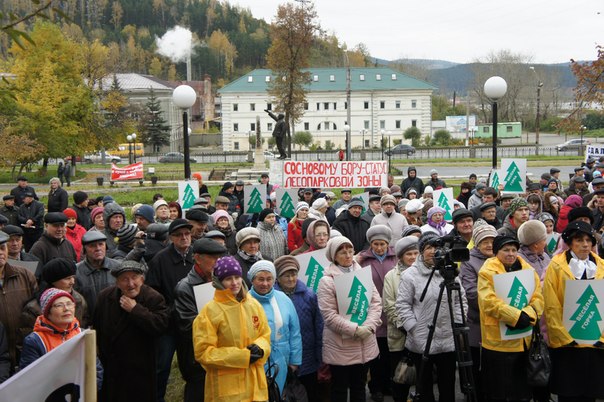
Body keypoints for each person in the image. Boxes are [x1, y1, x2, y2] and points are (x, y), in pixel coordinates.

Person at [396, 232, 466, 402]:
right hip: (422, 341)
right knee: (424, 386)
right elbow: (402, 305)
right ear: (421, 251)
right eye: (429, 247)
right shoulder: (410, 275)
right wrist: (414, 328)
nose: (434, 251)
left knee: (448, 385)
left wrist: (457, 323)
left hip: (448, 338)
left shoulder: (450, 271)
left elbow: (460, 300)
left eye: (437, 247)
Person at [193, 256, 271, 401]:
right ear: (218, 282)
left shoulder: (254, 305)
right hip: (227, 389)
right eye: (228, 279)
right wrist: (242, 356)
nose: (234, 283)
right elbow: (203, 352)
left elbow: (265, 334)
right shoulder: (209, 312)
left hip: (256, 385)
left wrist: (261, 348)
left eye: (237, 277)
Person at [477, 235, 544, 402]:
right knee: (500, 393)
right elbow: (488, 302)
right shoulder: (487, 272)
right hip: (498, 344)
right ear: (496, 252)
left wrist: (528, 314)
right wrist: (515, 316)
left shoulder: (528, 270)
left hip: (524, 342)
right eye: (506, 250)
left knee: (522, 392)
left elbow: (538, 297)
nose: (511, 253)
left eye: (514, 250)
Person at [543, 221, 604, 402]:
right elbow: (551, 305)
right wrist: (564, 337)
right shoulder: (556, 266)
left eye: (588, 240)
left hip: (595, 342)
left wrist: (601, 336)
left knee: (591, 393)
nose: (585, 245)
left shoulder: (600, 266)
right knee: (569, 393)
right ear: (569, 243)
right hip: (568, 344)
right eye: (579, 240)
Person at [94, 260, 169, 402]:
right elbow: (97, 326)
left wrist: (136, 310)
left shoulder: (153, 298)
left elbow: (160, 326)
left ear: (142, 279)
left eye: (134, 277)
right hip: (112, 368)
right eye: (124, 279)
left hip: (140, 369)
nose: (130, 284)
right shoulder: (105, 297)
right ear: (117, 282)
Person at [317, 236, 381, 402]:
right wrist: (355, 330)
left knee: (359, 388)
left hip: (365, 342)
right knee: (339, 389)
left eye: (350, 251)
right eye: (342, 252)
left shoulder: (362, 274)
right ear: (334, 256)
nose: (347, 255)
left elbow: (375, 302)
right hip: (340, 347)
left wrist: (369, 326)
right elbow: (329, 315)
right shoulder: (327, 281)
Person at [146, 219, 195, 402]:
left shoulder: (197, 256)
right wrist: (166, 312)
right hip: (168, 323)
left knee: (192, 365)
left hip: (192, 322)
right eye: (179, 235)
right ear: (171, 238)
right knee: (162, 366)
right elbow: (152, 290)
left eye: (187, 234)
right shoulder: (160, 259)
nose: (184, 238)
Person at [174, 239, 227, 402]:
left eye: (220, 258)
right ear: (197, 258)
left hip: (221, 356)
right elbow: (189, 326)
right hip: (196, 362)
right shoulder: (185, 287)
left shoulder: (222, 282)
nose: (218, 263)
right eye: (213, 258)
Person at [356, 225, 397, 402]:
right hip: (372, 311)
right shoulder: (362, 260)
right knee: (375, 355)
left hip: (391, 309)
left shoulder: (395, 258)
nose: (379, 248)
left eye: (382, 244)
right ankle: (376, 387)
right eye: (375, 244)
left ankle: (389, 383)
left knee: (391, 352)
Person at [248, 260, 302, 394]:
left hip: (281, 361)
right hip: (255, 362)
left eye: (269, 279)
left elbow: (294, 332)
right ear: (252, 280)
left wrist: (294, 361)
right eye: (260, 279)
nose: (265, 284)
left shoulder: (283, 299)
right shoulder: (245, 301)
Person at [273, 255, 323, 400]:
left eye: (293, 274)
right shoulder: (273, 298)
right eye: (286, 275)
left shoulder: (309, 295)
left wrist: (319, 355)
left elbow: (318, 326)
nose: (291, 279)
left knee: (311, 393)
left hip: (307, 356)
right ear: (278, 278)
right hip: (282, 358)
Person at [459, 220, 498, 400]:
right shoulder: (469, 261)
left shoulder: (502, 257)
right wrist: (499, 307)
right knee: (477, 369)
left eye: (492, 240)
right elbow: (471, 294)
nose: (489, 244)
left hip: (501, 325)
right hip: (478, 324)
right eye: (485, 241)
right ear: (477, 242)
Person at [383, 236, 419, 402]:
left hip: (422, 335)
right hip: (400, 334)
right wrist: (407, 326)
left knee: (421, 377)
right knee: (400, 377)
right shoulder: (391, 276)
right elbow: (390, 306)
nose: (413, 257)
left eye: (415, 253)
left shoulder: (424, 273)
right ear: (401, 256)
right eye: (409, 254)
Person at [0, 231, 38, 373]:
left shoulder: (25, 275)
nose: (0, 253)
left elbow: (37, 312)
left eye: (2, 248)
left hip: (25, 351)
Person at [21, 258, 90, 337]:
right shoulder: (34, 308)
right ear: (53, 281)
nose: (72, 282)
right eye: (67, 278)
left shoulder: (78, 299)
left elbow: (84, 325)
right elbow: (29, 338)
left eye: (73, 277)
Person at [19, 288, 82, 369]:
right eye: (59, 305)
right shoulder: (35, 341)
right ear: (48, 313)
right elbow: (31, 376)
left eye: (69, 304)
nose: (66, 309)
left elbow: (95, 368)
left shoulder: (81, 333)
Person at [75, 231, 120, 316]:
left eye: (101, 244)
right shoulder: (76, 271)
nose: (98, 248)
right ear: (85, 249)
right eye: (92, 246)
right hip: (89, 324)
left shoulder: (117, 267)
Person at [30, 212, 77, 283]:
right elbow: (34, 277)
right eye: (55, 226)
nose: (60, 229)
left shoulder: (68, 244)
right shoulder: (39, 247)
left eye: (62, 225)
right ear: (46, 226)